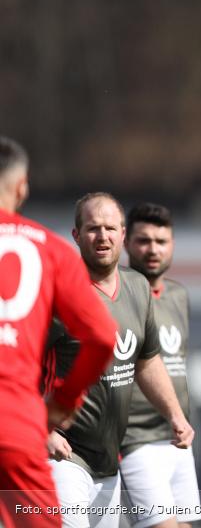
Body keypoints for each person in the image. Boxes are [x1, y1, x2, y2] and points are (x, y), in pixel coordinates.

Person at [44, 193, 195, 528]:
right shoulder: (56, 292)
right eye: (93, 228)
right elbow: (13, 367)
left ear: (122, 235)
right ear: (76, 235)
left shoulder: (137, 287)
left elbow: (147, 361)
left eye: (110, 228)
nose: (102, 236)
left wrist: (174, 415)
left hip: (107, 461)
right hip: (61, 455)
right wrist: (41, 430)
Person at [0, 137, 117, 528]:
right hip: (16, 422)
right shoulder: (50, 250)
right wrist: (60, 404)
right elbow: (102, 336)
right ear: (22, 187)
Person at [119, 203, 201, 528]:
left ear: (172, 245)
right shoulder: (117, 294)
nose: (153, 249)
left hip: (177, 437)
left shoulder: (179, 295)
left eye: (161, 241)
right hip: (135, 437)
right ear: (126, 243)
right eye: (143, 240)